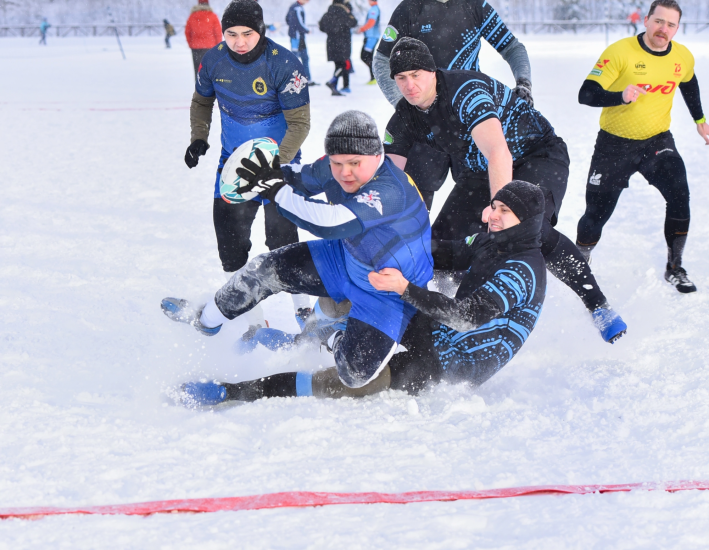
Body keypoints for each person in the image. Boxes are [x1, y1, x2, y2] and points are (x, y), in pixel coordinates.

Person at [173, 180, 547, 406]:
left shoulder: (522, 270)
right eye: (493, 206)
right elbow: (441, 249)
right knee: (363, 280)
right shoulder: (493, 241)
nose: (490, 215)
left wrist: (405, 287)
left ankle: (232, 392)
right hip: (434, 328)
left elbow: (467, 318)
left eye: (503, 212)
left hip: (449, 366)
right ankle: (306, 336)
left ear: (525, 222)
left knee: (343, 383)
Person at [163, 110, 433, 392]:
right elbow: (302, 179)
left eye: (355, 163)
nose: (344, 172)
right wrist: (271, 174)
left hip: (390, 292)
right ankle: (205, 319)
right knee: (264, 270)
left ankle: (332, 334)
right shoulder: (334, 168)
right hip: (346, 259)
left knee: (354, 375)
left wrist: (276, 191)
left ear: (377, 156)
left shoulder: (391, 190)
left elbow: (330, 224)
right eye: (337, 163)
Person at [384, 38, 627, 343]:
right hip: (478, 172)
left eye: (416, 75)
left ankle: (598, 305)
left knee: (526, 227)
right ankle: (447, 317)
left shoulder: (465, 92)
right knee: (438, 244)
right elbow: (390, 181)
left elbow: (499, 153)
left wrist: (498, 209)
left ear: (432, 71)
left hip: (536, 156)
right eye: (401, 78)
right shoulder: (404, 116)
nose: (410, 85)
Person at [184, 0, 312, 328]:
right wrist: (199, 137)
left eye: (247, 33)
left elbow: (300, 124)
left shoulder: (284, 63)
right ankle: (251, 319)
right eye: (231, 33)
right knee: (228, 238)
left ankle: (305, 313)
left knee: (282, 238)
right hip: (234, 163)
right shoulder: (213, 60)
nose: (239, 41)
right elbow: (201, 101)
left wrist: (277, 163)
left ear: (261, 32)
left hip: (280, 163)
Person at [576, 0, 707, 294]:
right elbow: (586, 93)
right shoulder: (620, 52)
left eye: (671, 24)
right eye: (659, 21)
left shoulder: (682, 56)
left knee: (680, 194)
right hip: (613, 145)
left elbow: (688, 82)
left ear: (677, 28)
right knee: (595, 214)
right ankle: (578, 264)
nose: (663, 29)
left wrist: (700, 120)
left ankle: (675, 268)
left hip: (656, 142)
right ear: (646, 20)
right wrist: (620, 96)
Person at [373, 0, 533, 208]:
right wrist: (406, 106)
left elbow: (512, 47)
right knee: (412, 204)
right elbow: (382, 61)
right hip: (426, 125)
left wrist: (524, 82)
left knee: (484, 205)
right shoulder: (410, 8)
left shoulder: (475, 5)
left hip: (470, 121)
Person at [319, 0, 358, 96]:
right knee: (345, 65)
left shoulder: (327, 13)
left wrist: (332, 30)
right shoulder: (344, 13)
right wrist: (349, 13)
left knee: (338, 65)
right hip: (343, 44)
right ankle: (334, 82)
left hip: (331, 43)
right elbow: (353, 23)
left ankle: (335, 87)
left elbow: (322, 27)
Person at [184, 0, 223, 79]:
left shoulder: (192, 16)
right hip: (210, 47)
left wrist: (191, 44)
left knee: (198, 70)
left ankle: (199, 89)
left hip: (196, 48)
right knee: (210, 70)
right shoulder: (212, 16)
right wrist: (218, 46)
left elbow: (187, 32)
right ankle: (211, 89)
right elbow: (218, 32)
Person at [286, 0, 318, 86]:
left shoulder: (293, 7)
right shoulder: (297, 8)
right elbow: (299, 24)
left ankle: (299, 80)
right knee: (301, 58)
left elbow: (287, 20)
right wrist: (307, 30)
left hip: (295, 37)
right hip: (298, 37)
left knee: (298, 58)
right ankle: (302, 79)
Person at [357, 0, 381, 85]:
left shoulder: (373, 9)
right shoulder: (374, 8)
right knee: (366, 57)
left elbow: (371, 22)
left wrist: (362, 29)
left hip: (372, 37)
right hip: (371, 37)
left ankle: (374, 76)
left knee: (365, 56)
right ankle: (373, 76)